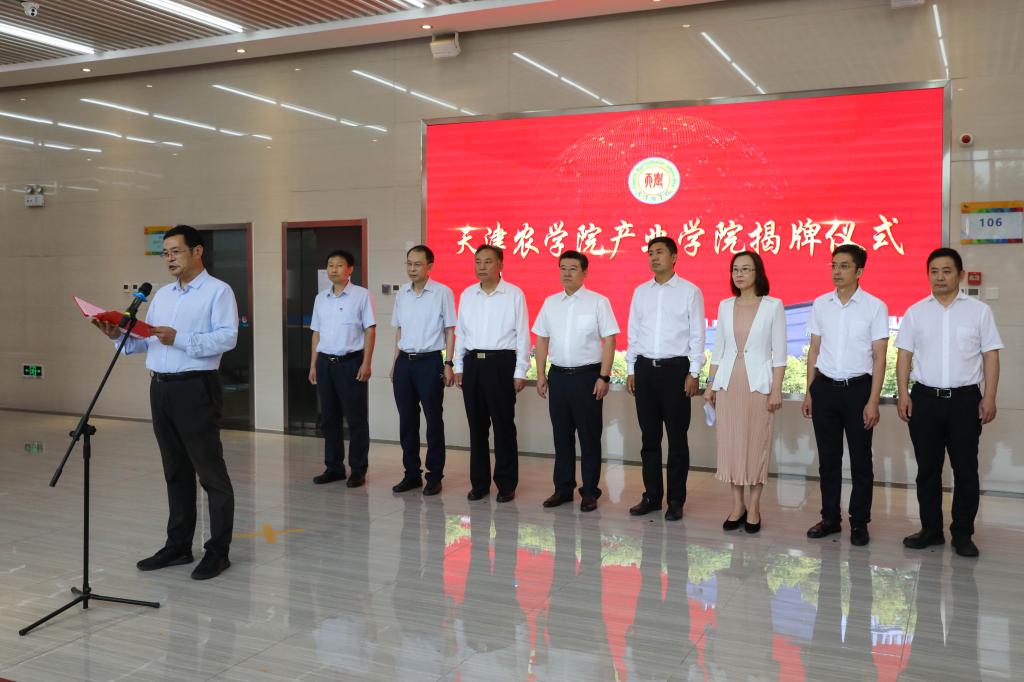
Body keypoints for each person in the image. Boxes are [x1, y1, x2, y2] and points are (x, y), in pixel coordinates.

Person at [93, 224, 238, 580]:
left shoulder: (218, 291)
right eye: (165, 253)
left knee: (210, 473)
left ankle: (218, 552)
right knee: (175, 470)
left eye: (176, 251)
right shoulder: (162, 296)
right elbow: (146, 343)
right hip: (160, 388)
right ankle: (178, 546)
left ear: (197, 251)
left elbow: (227, 338)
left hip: (196, 388)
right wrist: (117, 336)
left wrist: (180, 338)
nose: (169, 259)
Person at [896, 247, 1002, 557]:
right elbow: (904, 356)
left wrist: (990, 396)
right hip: (925, 399)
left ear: (960, 274)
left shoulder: (979, 311)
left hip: (965, 401)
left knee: (965, 470)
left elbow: (991, 355)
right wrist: (903, 393)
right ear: (927, 275)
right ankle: (931, 530)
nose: (940, 277)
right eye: (934, 271)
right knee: (927, 470)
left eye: (946, 271)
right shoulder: (916, 312)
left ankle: (963, 534)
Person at [802, 244, 889, 546]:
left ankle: (859, 522)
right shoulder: (820, 304)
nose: (837, 271)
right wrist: (809, 392)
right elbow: (814, 350)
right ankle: (830, 518)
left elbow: (880, 357)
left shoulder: (875, 306)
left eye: (844, 266)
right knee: (828, 459)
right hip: (824, 389)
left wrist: (873, 401)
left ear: (859, 271)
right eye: (834, 265)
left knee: (861, 460)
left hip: (858, 391)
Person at [703, 250, 786, 534]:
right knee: (732, 445)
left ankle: (754, 507)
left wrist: (776, 390)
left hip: (758, 387)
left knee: (756, 445)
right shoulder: (725, 306)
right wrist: (711, 384)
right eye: (735, 269)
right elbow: (718, 350)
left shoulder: (773, 306)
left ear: (757, 273)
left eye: (746, 269)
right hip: (728, 385)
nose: (739, 274)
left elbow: (779, 354)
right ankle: (737, 506)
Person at [625, 236, 705, 521]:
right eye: (650, 253)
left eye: (659, 252)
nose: (654, 257)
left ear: (674, 257)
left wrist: (694, 372)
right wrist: (631, 368)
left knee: (677, 439)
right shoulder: (640, 292)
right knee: (649, 438)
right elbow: (633, 332)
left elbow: (697, 334)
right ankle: (651, 496)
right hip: (645, 369)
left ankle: (675, 500)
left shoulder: (689, 291)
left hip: (676, 371)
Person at [533, 250, 619, 512]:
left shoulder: (598, 302)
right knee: (561, 436)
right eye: (562, 268)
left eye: (572, 268)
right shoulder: (550, 303)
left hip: (587, 378)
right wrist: (540, 374)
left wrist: (604, 376)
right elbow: (541, 339)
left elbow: (610, 340)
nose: (566, 273)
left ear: (585, 272)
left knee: (589, 437)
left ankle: (590, 491)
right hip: (558, 377)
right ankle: (563, 488)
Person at [453, 245, 530, 502]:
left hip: (501, 364)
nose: (481, 266)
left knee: (503, 426)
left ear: (500, 265)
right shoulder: (467, 294)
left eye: (488, 261)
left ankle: (506, 484)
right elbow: (461, 333)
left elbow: (522, 334)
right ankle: (480, 483)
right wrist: (458, 366)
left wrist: (521, 370)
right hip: (473, 363)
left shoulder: (514, 294)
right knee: (476, 427)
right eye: (478, 262)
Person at [389, 245, 456, 496]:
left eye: (417, 264)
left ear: (430, 266)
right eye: (409, 264)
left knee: (433, 420)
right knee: (407, 421)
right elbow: (399, 330)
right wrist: (394, 362)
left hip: (430, 363)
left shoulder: (442, 293)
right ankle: (411, 474)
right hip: (404, 362)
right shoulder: (402, 294)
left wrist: (449, 363)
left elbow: (450, 331)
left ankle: (434, 476)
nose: (412, 269)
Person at [308, 249, 376, 488]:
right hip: (325, 364)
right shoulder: (320, 298)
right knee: (329, 419)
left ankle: (358, 469)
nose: (333, 269)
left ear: (350, 270)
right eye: (330, 265)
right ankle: (334, 467)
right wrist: (313, 364)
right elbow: (316, 333)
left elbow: (370, 330)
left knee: (356, 419)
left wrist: (367, 362)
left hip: (351, 363)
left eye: (338, 265)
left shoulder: (361, 295)